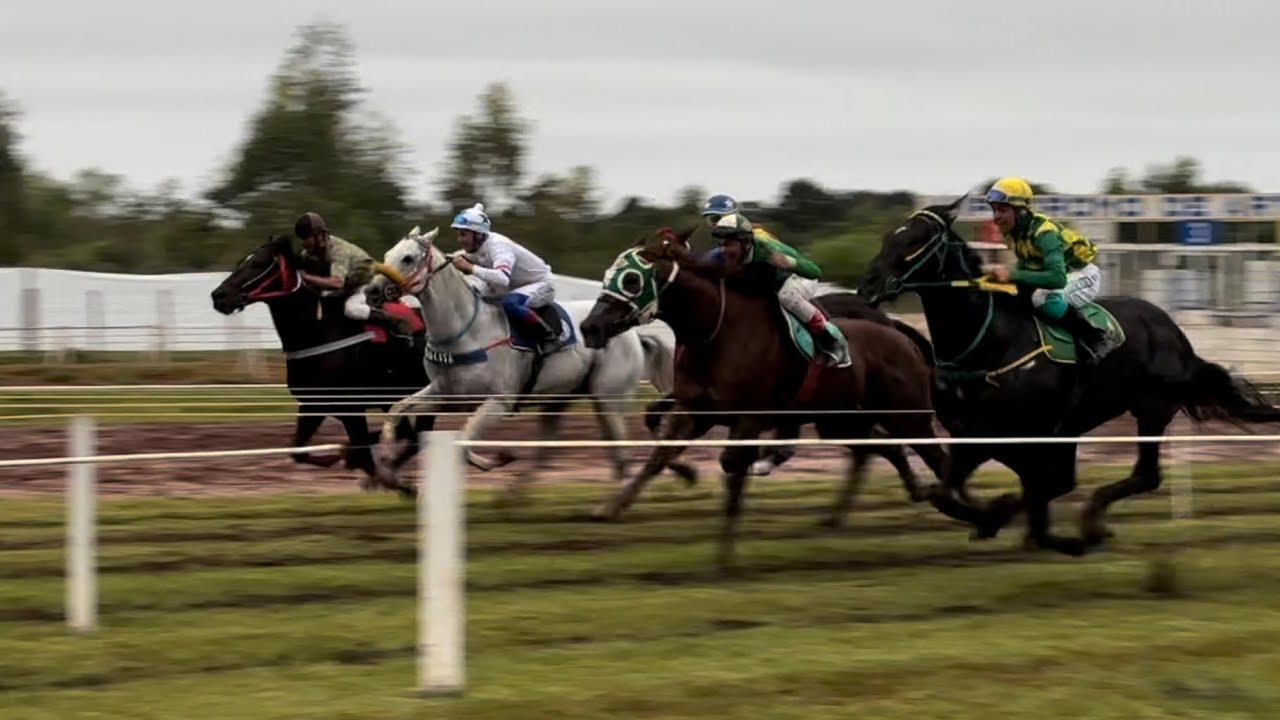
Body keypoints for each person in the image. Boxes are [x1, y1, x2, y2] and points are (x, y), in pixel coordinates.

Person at [981, 177, 1118, 365]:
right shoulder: (1014, 233)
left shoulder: (1045, 234)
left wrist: (1011, 274)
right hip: (1063, 275)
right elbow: (1026, 267)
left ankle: (1096, 338)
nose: (996, 216)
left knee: (1042, 298)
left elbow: (1057, 279)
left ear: (1021, 211)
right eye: (994, 210)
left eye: (1002, 210)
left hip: (1084, 276)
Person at [710, 212, 851, 368]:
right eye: (720, 244)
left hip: (799, 277)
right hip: (774, 283)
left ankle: (833, 340)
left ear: (745, 242)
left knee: (787, 296)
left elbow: (815, 271)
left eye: (728, 244)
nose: (723, 250)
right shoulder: (726, 254)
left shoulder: (768, 249)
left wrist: (789, 263)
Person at [449, 203, 560, 352]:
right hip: (515, 285)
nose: (459, 240)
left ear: (478, 234)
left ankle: (547, 336)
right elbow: (460, 257)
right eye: (459, 234)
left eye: (463, 235)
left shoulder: (499, 247)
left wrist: (470, 268)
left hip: (542, 284)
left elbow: (502, 278)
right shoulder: (479, 245)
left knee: (510, 303)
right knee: (470, 293)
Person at [294, 212, 413, 337]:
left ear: (319, 236)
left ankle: (393, 321)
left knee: (352, 309)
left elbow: (337, 283)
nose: (303, 243)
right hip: (349, 283)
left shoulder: (338, 251)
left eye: (306, 238)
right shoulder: (309, 252)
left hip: (363, 281)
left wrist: (307, 277)